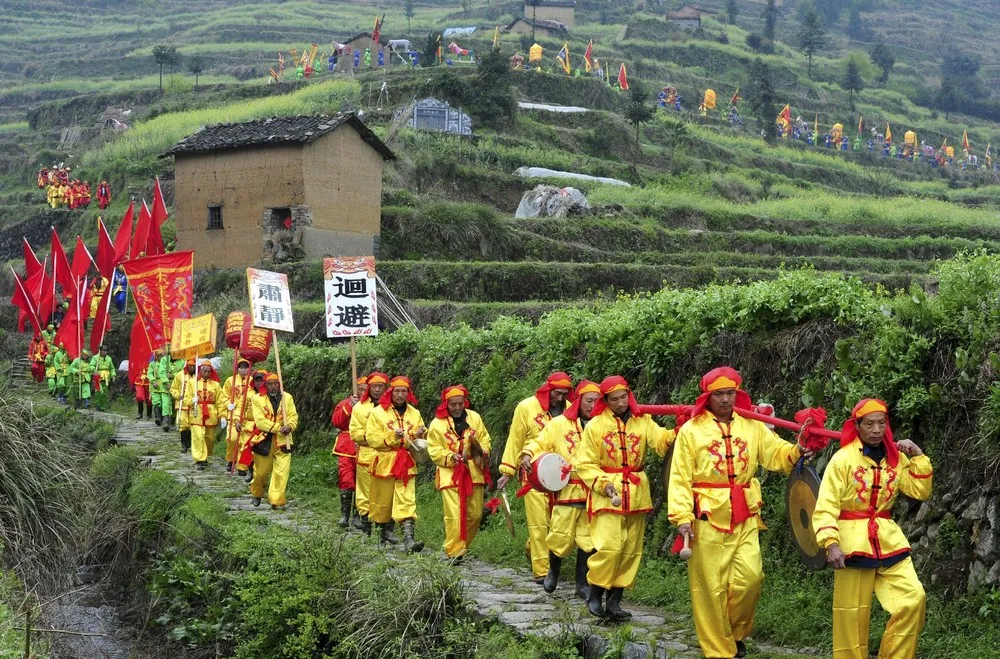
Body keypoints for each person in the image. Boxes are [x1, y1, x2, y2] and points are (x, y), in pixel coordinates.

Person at [668, 367, 815, 659]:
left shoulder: (752, 425)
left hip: (745, 513)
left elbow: (776, 454)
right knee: (710, 588)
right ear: (708, 397)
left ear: (738, 394)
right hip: (706, 517)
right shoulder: (691, 431)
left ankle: (735, 634)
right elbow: (680, 477)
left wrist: (797, 452)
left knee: (751, 579)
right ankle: (718, 650)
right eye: (719, 394)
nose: (725, 399)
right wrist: (682, 518)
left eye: (730, 393)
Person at [813, 399, 932, 659]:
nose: (877, 429)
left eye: (882, 423)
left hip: (887, 539)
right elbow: (826, 505)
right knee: (851, 616)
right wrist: (830, 543)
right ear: (857, 426)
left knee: (913, 599)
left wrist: (918, 455)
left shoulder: (897, 459)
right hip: (850, 543)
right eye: (870, 424)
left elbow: (920, 491)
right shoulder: (842, 459)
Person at [575, 376, 676, 620]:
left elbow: (661, 441)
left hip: (637, 494)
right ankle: (595, 594)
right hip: (606, 496)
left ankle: (615, 602)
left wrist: (679, 432)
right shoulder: (595, 426)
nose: (621, 403)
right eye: (614, 399)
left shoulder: (643, 420)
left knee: (630, 550)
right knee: (610, 547)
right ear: (606, 401)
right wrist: (605, 485)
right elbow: (584, 463)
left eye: (623, 397)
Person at [521, 380, 601, 599]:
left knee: (588, 539)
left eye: (596, 401)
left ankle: (582, 584)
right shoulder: (559, 423)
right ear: (579, 401)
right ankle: (552, 572)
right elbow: (540, 442)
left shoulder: (603, 426)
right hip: (567, 489)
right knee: (560, 535)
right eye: (588, 401)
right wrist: (528, 454)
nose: (592, 406)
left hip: (593, 491)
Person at [498, 372, 574, 582]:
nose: (560, 398)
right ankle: (542, 570)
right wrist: (507, 471)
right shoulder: (526, 407)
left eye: (564, 394)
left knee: (555, 522)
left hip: (558, 475)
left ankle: (533, 548)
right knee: (538, 522)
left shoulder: (569, 410)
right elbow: (515, 439)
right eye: (557, 393)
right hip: (531, 473)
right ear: (548, 390)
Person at [427, 385, 492, 560]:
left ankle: (461, 547)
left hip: (473, 472)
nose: (457, 408)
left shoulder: (475, 418)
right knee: (454, 515)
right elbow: (434, 449)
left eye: (460, 404)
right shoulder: (437, 424)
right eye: (453, 404)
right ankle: (453, 552)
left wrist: (483, 450)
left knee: (475, 515)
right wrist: (450, 456)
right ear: (447, 404)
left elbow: (484, 439)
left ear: (465, 403)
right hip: (450, 474)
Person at [365, 375, 427, 552]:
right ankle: (380, 536)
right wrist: (393, 436)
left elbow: (418, 436)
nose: (400, 394)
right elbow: (372, 438)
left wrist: (421, 432)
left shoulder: (414, 413)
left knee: (406, 500)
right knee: (382, 501)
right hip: (384, 461)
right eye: (397, 391)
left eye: (404, 391)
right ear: (391, 392)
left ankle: (409, 541)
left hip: (406, 462)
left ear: (408, 393)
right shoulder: (378, 412)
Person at [249, 373, 298, 510]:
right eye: (270, 384)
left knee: (282, 471)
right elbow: (260, 421)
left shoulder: (287, 397)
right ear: (265, 385)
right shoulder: (257, 399)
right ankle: (257, 493)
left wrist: (290, 426)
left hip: (284, 440)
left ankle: (276, 499)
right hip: (264, 439)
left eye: (276, 383)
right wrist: (278, 428)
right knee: (261, 472)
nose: (273, 387)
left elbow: (293, 415)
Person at [349, 372, 390, 535]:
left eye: (381, 387)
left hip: (387, 457)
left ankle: (384, 528)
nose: (378, 390)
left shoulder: (391, 408)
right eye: (374, 387)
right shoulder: (359, 408)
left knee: (384, 493)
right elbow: (355, 433)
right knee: (365, 491)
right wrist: (373, 438)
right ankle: (365, 524)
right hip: (366, 455)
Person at [331, 376, 367, 528]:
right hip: (346, 446)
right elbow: (337, 422)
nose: (363, 392)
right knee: (346, 480)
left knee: (362, 482)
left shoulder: (372, 406)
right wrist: (350, 407)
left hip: (365, 446)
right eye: (360, 389)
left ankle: (358, 515)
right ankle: (345, 515)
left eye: (366, 390)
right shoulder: (345, 403)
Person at [220, 359, 255, 472]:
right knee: (233, 439)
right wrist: (228, 404)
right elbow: (223, 396)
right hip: (233, 413)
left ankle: (242, 466)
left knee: (245, 442)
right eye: (241, 367)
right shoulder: (230, 380)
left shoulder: (253, 381)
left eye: (246, 367)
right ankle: (231, 459)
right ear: (237, 368)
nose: (243, 370)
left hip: (248, 416)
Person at [188, 362, 223, 469]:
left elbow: (220, 401)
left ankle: (205, 456)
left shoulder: (216, 385)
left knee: (210, 439)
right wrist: (191, 400)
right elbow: (185, 398)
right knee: (198, 436)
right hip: (196, 412)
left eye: (209, 371)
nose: (206, 373)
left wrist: (223, 415)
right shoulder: (192, 383)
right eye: (204, 371)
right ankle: (199, 459)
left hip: (211, 413)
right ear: (200, 371)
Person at [170, 358, 197, 451]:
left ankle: (190, 443)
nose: (192, 368)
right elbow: (173, 388)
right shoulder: (180, 375)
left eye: (193, 366)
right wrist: (178, 395)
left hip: (194, 405)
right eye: (190, 366)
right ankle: (184, 445)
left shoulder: (198, 377)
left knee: (192, 424)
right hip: (182, 404)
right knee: (182, 424)